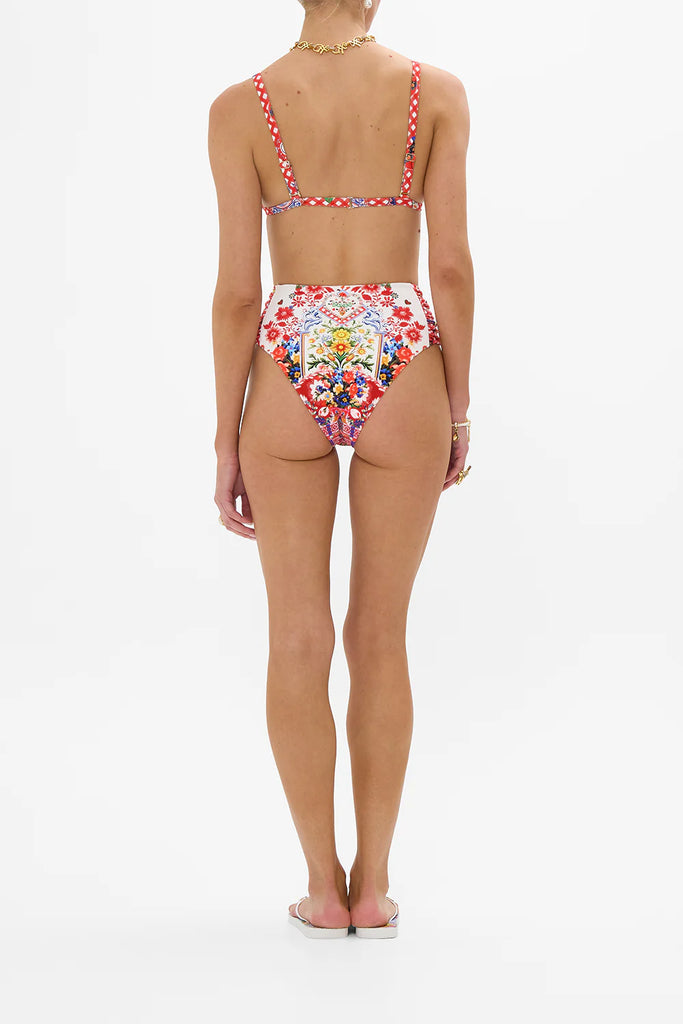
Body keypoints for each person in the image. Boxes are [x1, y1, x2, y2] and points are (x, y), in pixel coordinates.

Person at [208, 0, 474, 939]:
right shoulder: (433, 93)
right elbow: (451, 270)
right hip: (400, 344)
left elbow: (237, 291)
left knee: (296, 635)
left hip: (291, 344)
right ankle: (375, 887)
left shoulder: (241, 106)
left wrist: (226, 434)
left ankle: (321, 888)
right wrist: (457, 403)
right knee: (379, 634)